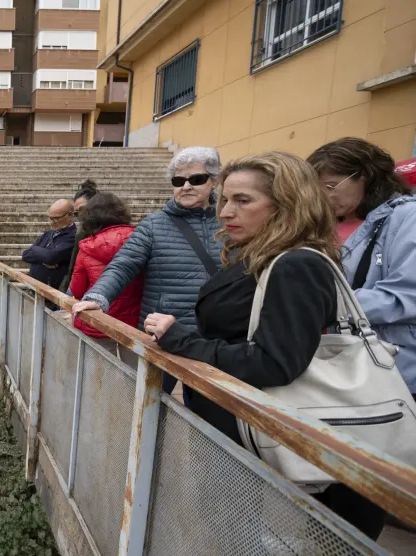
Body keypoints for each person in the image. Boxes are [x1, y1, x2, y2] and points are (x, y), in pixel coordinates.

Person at [141, 151, 385, 540]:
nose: (224, 212)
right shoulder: (266, 256)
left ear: (286, 204)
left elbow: (274, 361)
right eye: (225, 199)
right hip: (247, 430)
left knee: (246, 535)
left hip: (264, 433)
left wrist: (182, 341)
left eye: (242, 200)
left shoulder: (294, 264)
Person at [71, 146, 223, 396]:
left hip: (213, 338)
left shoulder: (229, 223)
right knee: (148, 406)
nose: (186, 186)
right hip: (160, 337)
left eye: (196, 179)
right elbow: (123, 265)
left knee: (207, 416)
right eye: (178, 180)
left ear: (214, 181)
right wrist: (97, 297)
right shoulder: (153, 225)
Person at [308, 137, 416, 399]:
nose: (323, 197)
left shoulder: (407, 218)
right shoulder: (328, 223)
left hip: (395, 370)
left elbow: (407, 297)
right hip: (344, 365)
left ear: (365, 176)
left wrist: (323, 302)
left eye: (331, 186)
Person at [68, 193, 142, 366]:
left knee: (96, 377)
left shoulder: (87, 247)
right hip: (133, 324)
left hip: (97, 320)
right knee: (135, 378)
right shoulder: (140, 239)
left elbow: (77, 290)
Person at [21, 199, 77, 291]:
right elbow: (26, 255)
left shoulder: (72, 237)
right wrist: (43, 260)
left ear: (70, 215)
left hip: (52, 293)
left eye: (56, 218)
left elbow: (52, 257)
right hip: (35, 289)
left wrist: (34, 248)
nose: (52, 222)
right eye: (51, 218)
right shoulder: (48, 234)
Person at [58, 179, 100, 294]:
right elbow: (73, 268)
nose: (80, 216)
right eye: (76, 213)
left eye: (82, 209)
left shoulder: (116, 231)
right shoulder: (81, 233)